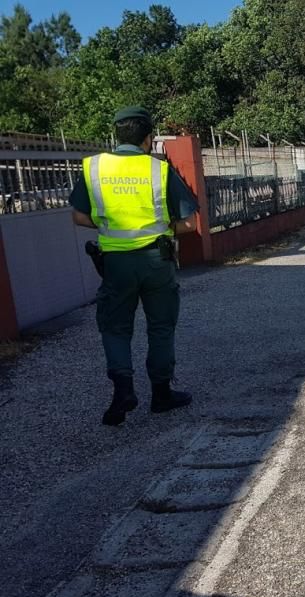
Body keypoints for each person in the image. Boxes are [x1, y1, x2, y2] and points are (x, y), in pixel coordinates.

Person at [69, 106, 199, 425]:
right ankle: (161, 394)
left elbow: (79, 216)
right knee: (161, 326)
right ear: (148, 138)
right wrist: (162, 228)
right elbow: (189, 223)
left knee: (115, 327)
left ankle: (123, 390)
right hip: (157, 260)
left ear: (117, 135)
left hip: (115, 263)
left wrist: (111, 227)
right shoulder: (159, 169)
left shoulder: (94, 167)